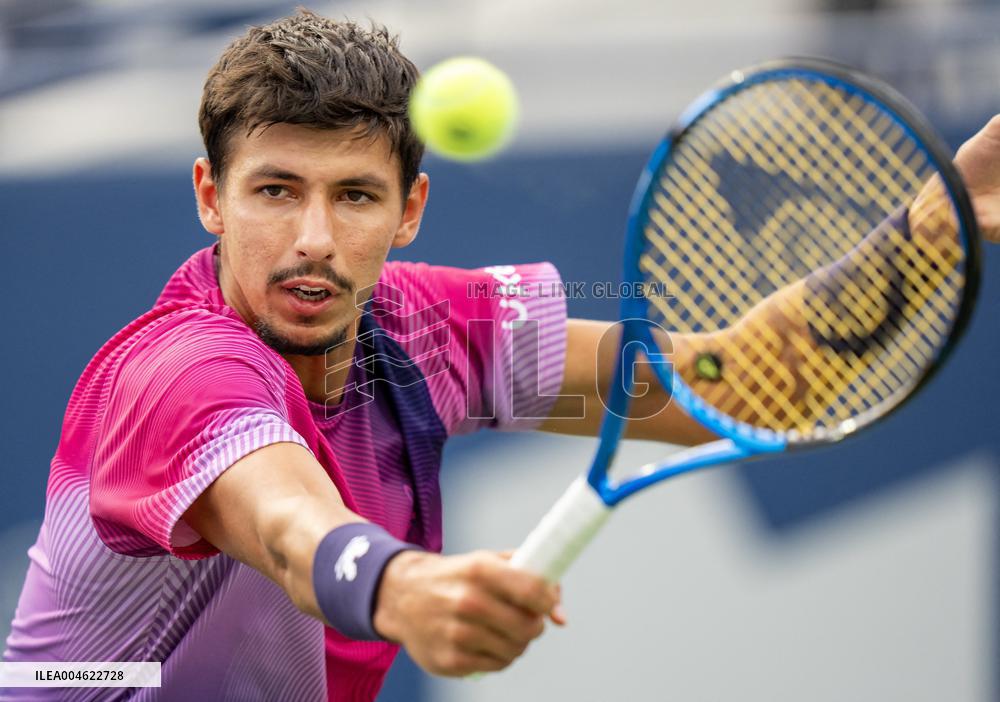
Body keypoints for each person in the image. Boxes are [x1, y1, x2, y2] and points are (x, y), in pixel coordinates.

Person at [2, 9, 998, 702]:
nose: (312, 239)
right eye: (274, 191)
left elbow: (742, 389)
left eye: (354, 196)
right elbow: (291, 527)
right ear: (210, 198)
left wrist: (934, 224)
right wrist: (402, 589)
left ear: (409, 212)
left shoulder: (431, 330)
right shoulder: (177, 374)